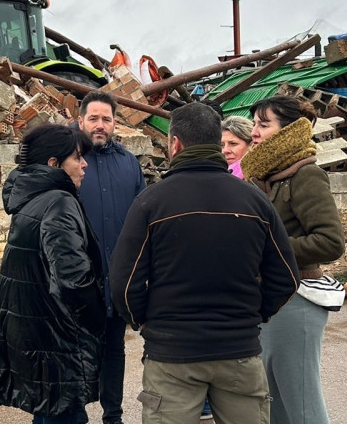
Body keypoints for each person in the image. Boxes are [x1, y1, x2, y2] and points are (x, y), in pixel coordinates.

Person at [110, 102, 300, 424]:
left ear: (175, 144)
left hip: (172, 355)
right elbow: (286, 277)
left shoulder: (150, 202)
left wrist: (144, 321)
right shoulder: (255, 200)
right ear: (217, 143)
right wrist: (251, 315)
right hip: (239, 351)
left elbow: (123, 283)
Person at [240, 96, 347, 424]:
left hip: (298, 299)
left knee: (302, 404)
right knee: (274, 402)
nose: (254, 132)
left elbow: (331, 241)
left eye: (263, 124)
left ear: (287, 130)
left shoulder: (305, 175)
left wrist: (272, 250)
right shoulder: (262, 176)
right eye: (254, 123)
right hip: (270, 299)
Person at [0, 124, 107, 424]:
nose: (84, 165)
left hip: (37, 333)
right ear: (54, 164)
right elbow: (73, 279)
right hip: (58, 337)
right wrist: (98, 317)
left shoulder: (32, 198)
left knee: (48, 412)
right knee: (66, 414)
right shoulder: (59, 202)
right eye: (77, 158)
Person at [75, 90, 146, 424]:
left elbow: (142, 217)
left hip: (118, 278)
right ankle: (74, 413)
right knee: (76, 351)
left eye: (106, 119)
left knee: (114, 351)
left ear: (115, 123)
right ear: (80, 121)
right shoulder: (70, 162)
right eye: (94, 119)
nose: (100, 125)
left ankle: (112, 416)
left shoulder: (129, 163)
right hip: (78, 280)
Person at [221, 116, 254, 180]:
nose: (225, 150)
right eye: (222, 145)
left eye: (233, 144)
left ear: (251, 145)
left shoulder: (259, 177)